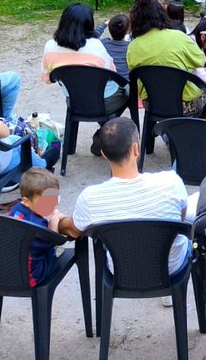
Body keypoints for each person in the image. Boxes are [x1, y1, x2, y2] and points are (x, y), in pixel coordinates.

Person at [55, 118, 190, 277]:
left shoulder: (90, 198)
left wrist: (58, 219)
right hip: (171, 267)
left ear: (104, 154)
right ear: (136, 149)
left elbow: (73, 229)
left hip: (121, 271)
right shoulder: (171, 182)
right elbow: (180, 220)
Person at [126, 0, 206, 117]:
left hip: (153, 104)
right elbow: (201, 61)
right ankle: (202, 131)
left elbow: (134, 73)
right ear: (162, 14)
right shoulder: (178, 37)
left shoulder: (132, 47)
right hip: (186, 104)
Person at [42, 2, 127, 114]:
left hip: (74, 101)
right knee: (128, 90)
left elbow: (47, 79)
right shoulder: (96, 46)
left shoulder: (50, 46)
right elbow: (112, 73)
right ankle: (108, 127)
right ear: (89, 23)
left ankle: (100, 127)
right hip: (105, 101)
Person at [7, 168, 71, 287]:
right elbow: (53, 241)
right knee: (55, 257)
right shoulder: (36, 225)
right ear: (26, 201)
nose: (51, 205)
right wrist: (53, 221)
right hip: (31, 275)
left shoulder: (16, 209)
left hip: (9, 268)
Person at [97, 14, 131, 78]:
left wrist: (104, 24)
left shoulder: (104, 43)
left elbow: (94, 35)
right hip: (126, 81)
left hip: (111, 80)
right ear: (127, 31)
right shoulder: (131, 46)